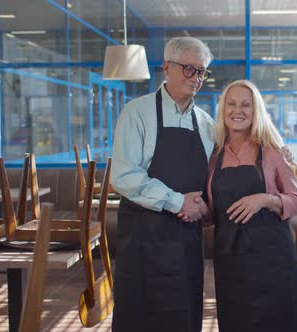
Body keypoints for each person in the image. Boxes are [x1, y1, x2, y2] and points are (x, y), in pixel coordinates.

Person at [110, 37, 215, 332]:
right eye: (188, 69)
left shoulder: (206, 122)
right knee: (139, 315)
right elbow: (124, 175)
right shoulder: (137, 112)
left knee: (184, 314)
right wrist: (178, 201)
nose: (195, 78)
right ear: (166, 67)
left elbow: (213, 176)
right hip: (143, 237)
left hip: (187, 241)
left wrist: (205, 206)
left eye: (202, 72)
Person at [205, 80, 297, 331]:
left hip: (272, 257)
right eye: (232, 104)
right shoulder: (213, 156)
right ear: (223, 109)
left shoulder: (272, 150)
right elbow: (211, 213)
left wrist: (265, 199)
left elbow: (296, 201)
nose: (238, 110)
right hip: (230, 259)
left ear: (255, 110)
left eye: (246, 105)